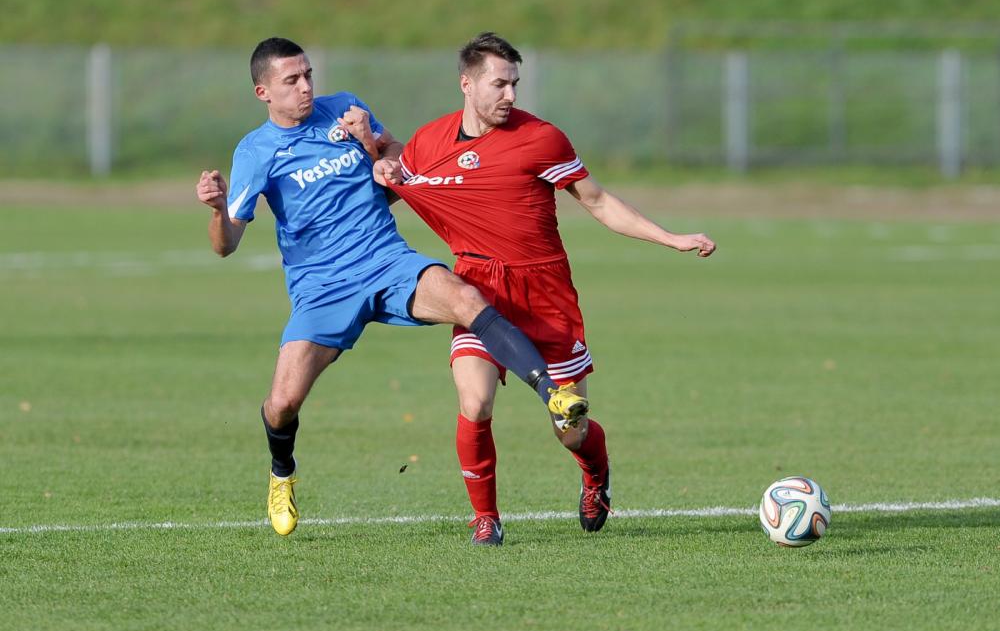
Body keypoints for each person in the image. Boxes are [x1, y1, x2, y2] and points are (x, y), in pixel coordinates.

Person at [196, 37, 589, 538]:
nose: (306, 87)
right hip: (323, 288)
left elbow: (402, 163)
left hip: (387, 261)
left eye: (309, 74)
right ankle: (281, 473)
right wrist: (215, 208)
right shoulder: (256, 151)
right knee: (282, 405)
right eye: (292, 81)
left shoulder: (345, 108)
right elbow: (226, 243)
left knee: (469, 297)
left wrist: (369, 140)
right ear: (263, 92)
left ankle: (552, 391)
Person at [377, 32, 716, 546]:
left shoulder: (541, 139)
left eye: (515, 83)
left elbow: (598, 201)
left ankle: (595, 477)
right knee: (475, 403)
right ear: (466, 84)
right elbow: (392, 183)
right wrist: (373, 161)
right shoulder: (429, 142)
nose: (510, 94)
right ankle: (485, 519)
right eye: (499, 83)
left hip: (545, 293)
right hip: (477, 289)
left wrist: (669, 238)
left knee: (570, 430)